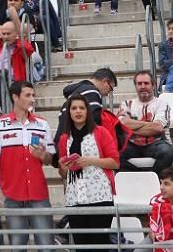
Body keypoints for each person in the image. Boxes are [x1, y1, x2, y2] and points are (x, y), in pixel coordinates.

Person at [0, 81, 55, 250]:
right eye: (28, 95)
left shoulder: (42, 124)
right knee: (17, 245)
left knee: (46, 244)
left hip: (38, 192)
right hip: (12, 193)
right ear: (15, 97)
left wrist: (42, 155)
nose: (32, 99)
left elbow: (50, 159)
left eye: (33, 95)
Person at [56, 94, 120, 249]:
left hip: (99, 195)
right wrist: (63, 168)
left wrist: (91, 161)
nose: (78, 111)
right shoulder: (64, 138)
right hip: (75, 197)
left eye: (82, 108)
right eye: (74, 108)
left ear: (87, 111)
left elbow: (115, 162)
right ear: (69, 112)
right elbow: (64, 174)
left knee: (100, 244)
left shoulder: (101, 132)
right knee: (81, 245)